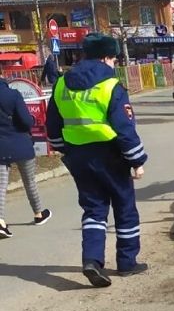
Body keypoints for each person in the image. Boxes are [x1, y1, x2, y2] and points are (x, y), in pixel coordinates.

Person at [45, 33, 148, 287]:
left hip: (78, 156)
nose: (114, 63)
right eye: (113, 58)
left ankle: (92, 260)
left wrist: (64, 150)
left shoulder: (61, 84)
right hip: (110, 155)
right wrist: (137, 160)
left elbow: (52, 127)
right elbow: (125, 128)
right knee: (124, 208)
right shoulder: (111, 86)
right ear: (105, 57)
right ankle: (127, 262)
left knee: (94, 210)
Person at [0, 77, 52, 238]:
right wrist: (31, 120)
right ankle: (38, 214)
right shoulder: (13, 95)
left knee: (0, 186)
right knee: (29, 181)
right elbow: (25, 121)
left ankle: (0, 222)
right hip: (20, 144)